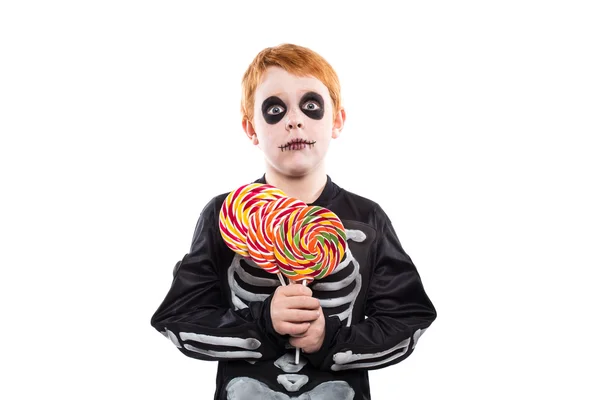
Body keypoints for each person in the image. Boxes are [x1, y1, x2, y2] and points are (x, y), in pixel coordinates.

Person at [150, 43, 437, 400]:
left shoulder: (367, 219)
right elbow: (179, 317)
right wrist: (263, 321)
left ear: (337, 121)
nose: (294, 119)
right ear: (251, 128)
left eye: (311, 106)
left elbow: (408, 318)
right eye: (274, 109)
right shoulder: (226, 215)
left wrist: (329, 339)